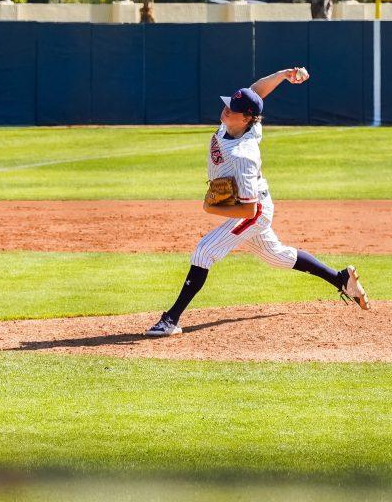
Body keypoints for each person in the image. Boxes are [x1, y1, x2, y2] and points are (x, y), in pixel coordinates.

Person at [146, 67, 369, 337]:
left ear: (247, 118)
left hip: (254, 210)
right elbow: (257, 91)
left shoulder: (243, 154)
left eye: (233, 109)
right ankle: (340, 278)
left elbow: (249, 209)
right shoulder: (239, 125)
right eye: (228, 105)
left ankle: (170, 319)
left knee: (204, 251)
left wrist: (212, 208)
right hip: (250, 203)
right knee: (276, 256)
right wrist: (283, 75)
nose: (226, 110)